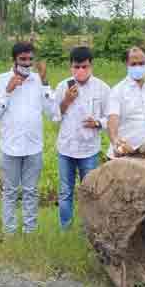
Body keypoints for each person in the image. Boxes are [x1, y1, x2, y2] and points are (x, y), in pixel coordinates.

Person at [0, 42, 54, 235]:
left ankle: (30, 231)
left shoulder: (38, 80)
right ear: (14, 60)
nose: (27, 63)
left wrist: (46, 82)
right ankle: (9, 231)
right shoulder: (0, 80)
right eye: (23, 59)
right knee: (10, 191)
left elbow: (51, 111)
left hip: (34, 146)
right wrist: (7, 92)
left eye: (30, 59)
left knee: (31, 191)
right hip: (10, 146)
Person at [52, 46, 110, 229]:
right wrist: (66, 101)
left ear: (91, 66)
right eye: (76, 67)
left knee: (91, 192)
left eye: (84, 67)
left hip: (89, 150)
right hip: (66, 149)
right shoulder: (63, 86)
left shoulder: (102, 88)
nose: (80, 71)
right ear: (71, 67)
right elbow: (54, 116)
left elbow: (113, 117)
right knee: (65, 192)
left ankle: (90, 229)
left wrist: (98, 123)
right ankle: (65, 227)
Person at [107, 46, 145, 158]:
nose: (138, 67)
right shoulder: (118, 91)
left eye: (141, 63)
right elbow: (112, 120)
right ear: (126, 64)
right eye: (133, 64)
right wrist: (115, 140)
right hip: (124, 154)